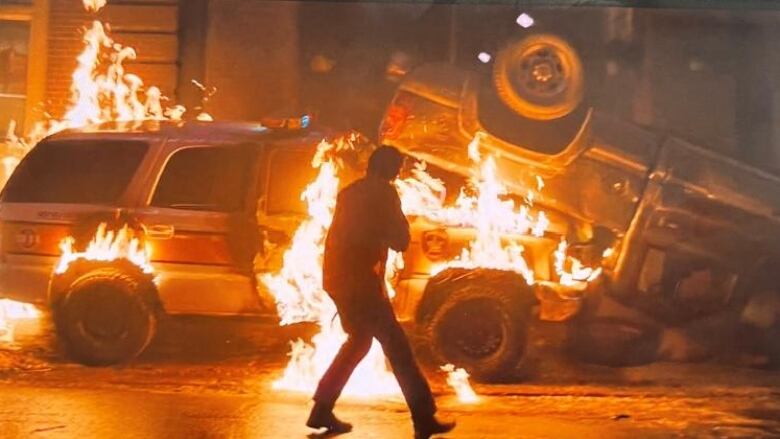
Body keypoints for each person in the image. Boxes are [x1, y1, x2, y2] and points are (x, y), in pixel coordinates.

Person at [306, 146, 455, 439]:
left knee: (359, 342)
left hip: (338, 279)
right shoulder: (384, 194)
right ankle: (424, 418)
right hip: (361, 284)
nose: (398, 174)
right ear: (389, 170)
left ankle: (322, 409)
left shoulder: (350, 192)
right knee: (397, 347)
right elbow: (400, 240)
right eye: (397, 168)